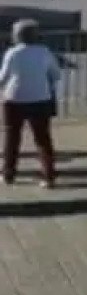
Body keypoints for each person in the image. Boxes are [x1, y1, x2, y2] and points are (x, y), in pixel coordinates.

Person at [0, 19, 61, 187]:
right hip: (41, 98)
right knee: (43, 138)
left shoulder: (12, 53)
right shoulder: (44, 52)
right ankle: (49, 176)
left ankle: (8, 174)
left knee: (12, 138)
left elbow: (3, 78)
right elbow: (56, 74)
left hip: (14, 98)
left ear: (17, 36)